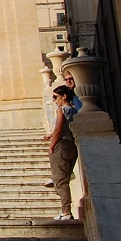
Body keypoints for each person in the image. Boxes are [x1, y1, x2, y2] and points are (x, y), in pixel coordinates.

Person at [48, 84, 78, 221]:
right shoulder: (74, 110)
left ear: (64, 96)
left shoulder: (61, 110)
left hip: (62, 146)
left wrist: (51, 145)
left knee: (61, 181)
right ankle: (66, 210)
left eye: (56, 97)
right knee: (64, 178)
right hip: (72, 146)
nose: (54, 100)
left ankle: (66, 211)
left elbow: (58, 130)